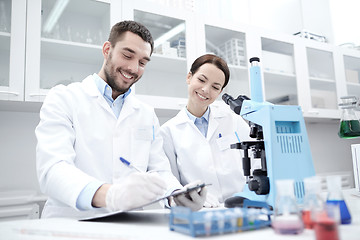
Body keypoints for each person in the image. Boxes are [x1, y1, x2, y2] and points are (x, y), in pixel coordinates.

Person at [35, 21, 206, 219]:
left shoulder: (146, 113)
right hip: (71, 224)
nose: (133, 68)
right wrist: (111, 195)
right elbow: (53, 170)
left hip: (128, 225)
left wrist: (177, 195)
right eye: (127, 55)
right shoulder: (64, 98)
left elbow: (159, 171)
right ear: (107, 49)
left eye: (142, 62)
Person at [160, 54, 251, 207]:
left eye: (215, 87)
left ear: (220, 92)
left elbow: (257, 163)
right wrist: (183, 199)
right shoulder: (168, 131)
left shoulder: (233, 120)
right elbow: (170, 182)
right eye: (201, 80)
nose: (205, 90)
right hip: (201, 211)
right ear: (189, 77)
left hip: (241, 207)